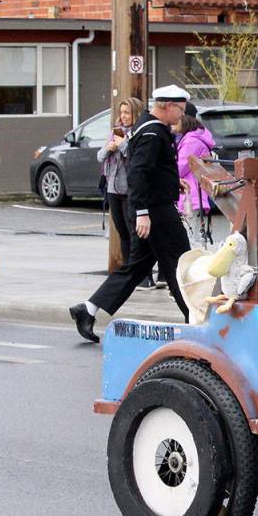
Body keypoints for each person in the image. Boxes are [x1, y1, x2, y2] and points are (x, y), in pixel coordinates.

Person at [69, 85, 193, 342]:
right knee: (180, 264)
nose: (181, 116)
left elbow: (152, 169)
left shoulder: (147, 126)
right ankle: (195, 321)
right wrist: (143, 213)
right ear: (167, 105)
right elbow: (138, 173)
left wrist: (172, 183)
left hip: (152, 207)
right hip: (156, 213)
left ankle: (88, 309)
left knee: (136, 267)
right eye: (179, 110)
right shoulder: (152, 132)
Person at [98, 97, 155, 290]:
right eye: (121, 113)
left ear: (135, 114)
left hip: (131, 191)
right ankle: (129, 274)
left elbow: (135, 158)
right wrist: (109, 147)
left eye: (127, 113)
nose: (123, 117)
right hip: (114, 189)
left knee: (136, 234)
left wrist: (123, 145)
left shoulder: (139, 133)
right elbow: (99, 156)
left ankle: (145, 276)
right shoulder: (115, 132)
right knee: (123, 233)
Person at [174, 107, 215, 249]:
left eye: (177, 119)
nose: (174, 122)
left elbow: (179, 168)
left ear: (184, 118)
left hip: (190, 195)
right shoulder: (196, 137)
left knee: (189, 238)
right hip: (194, 193)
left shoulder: (191, 141)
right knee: (192, 236)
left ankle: (189, 268)